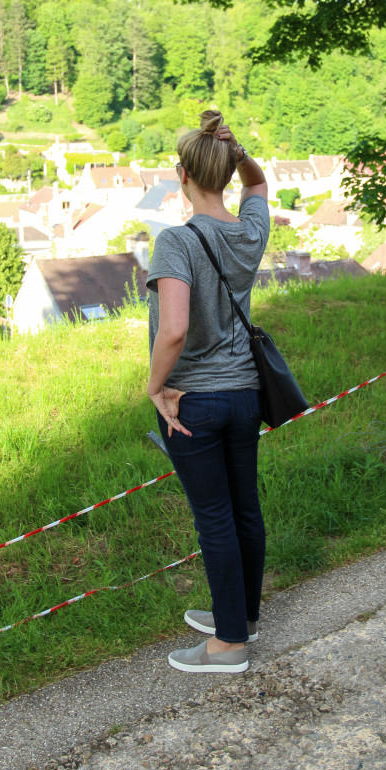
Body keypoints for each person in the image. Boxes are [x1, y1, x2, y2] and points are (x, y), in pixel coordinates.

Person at [146, 109, 270, 674]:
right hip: (245, 393)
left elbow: (173, 329)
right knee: (243, 507)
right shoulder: (248, 230)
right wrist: (237, 149)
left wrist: (156, 387)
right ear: (222, 171)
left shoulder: (176, 242)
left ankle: (228, 647)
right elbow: (259, 183)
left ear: (183, 176)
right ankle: (239, 616)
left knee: (214, 517)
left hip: (195, 398)